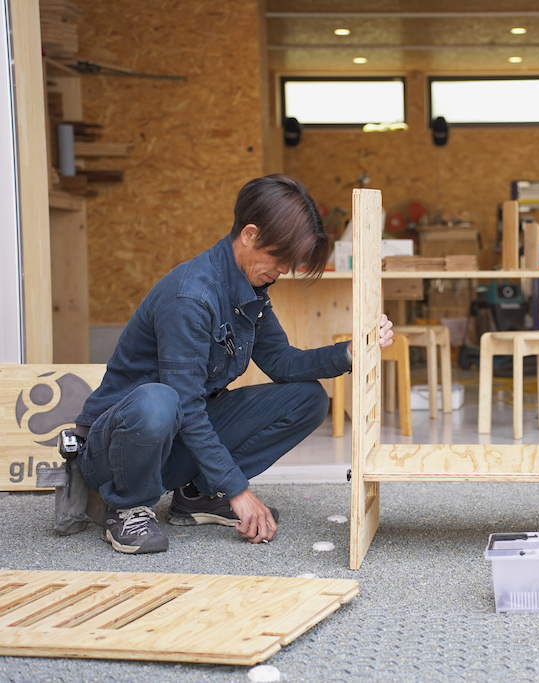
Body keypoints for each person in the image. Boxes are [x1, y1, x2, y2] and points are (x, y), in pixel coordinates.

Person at [74, 174, 394, 555]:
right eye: (281, 258)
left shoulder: (249, 289)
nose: (285, 270)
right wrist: (239, 489)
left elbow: (281, 361)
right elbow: (186, 404)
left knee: (307, 399)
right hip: (114, 452)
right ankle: (126, 505)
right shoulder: (190, 297)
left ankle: (198, 494)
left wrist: (349, 354)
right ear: (250, 235)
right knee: (159, 401)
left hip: (173, 436)